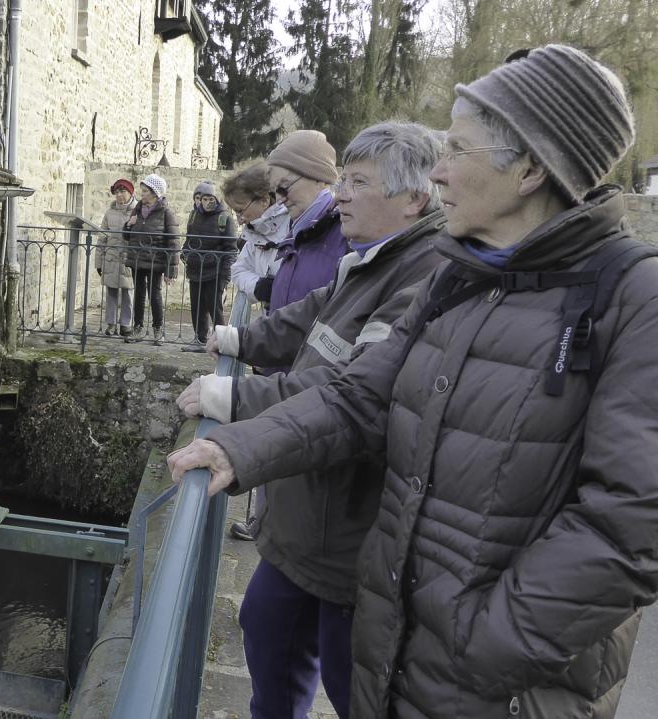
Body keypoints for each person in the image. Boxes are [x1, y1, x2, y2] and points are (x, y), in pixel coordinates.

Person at [169, 45, 658, 718]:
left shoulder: (635, 296)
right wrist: (240, 446)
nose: (438, 172)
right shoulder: (459, 276)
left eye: (457, 149)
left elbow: (629, 525)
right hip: (398, 641)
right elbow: (360, 395)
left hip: (500, 681)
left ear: (532, 169)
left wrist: (478, 641)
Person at [176, 121, 448, 719]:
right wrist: (237, 338)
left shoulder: (421, 277)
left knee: (352, 683)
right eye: (341, 179)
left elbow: (345, 392)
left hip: (350, 531)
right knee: (266, 628)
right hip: (307, 521)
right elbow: (306, 322)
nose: (340, 193)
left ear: (414, 199)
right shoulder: (371, 260)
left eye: (357, 182)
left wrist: (231, 401)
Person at [255, 130, 349, 375]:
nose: (279, 200)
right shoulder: (298, 231)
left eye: (284, 188)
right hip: (282, 384)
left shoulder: (345, 236)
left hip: (309, 390)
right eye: (275, 191)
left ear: (318, 178)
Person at [225, 164, 290, 320]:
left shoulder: (294, 224)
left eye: (240, 210)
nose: (239, 221)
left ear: (264, 200)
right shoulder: (255, 231)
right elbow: (239, 270)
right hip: (273, 318)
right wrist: (258, 286)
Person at [181, 180, 239, 351]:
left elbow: (230, 249)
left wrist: (226, 275)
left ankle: (221, 343)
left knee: (215, 309)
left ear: (217, 199)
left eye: (210, 199)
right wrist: (185, 253)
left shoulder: (225, 219)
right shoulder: (194, 215)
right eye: (203, 199)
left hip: (215, 271)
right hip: (195, 268)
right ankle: (199, 339)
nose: (206, 203)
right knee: (197, 307)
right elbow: (189, 238)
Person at [124, 174, 180, 345]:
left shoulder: (166, 212)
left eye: (145, 191)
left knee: (154, 294)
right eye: (142, 190)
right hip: (137, 258)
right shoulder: (137, 209)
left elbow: (173, 242)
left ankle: (158, 330)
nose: (142, 194)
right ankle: (138, 328)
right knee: (139, 294)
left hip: (156, 261)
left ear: (155, 193)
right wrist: (128, 225)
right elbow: (126, 236)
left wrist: (171, 270)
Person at [97, 179, 137, 337]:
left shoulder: (137, 211)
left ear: (130, 193)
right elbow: (102, 238)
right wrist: (99, 262)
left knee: (128, 292)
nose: (119, 195)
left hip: (128, 258)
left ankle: (126, 324)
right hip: (112, 258)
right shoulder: (110, 212)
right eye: (117, 192)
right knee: (111, 291)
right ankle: (111, 323)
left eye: (123, 191)